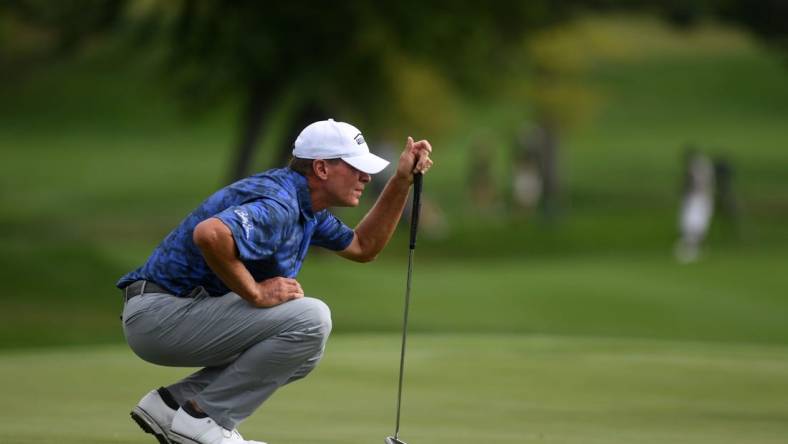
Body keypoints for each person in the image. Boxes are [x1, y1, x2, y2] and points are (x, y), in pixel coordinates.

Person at [117, 118, 433, 444]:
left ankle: (173, 405)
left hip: (172, 312)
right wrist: (255, 292)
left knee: (303, 350)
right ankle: (204, 420)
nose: (366, 177)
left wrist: (400, 182)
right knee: (310, 319)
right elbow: (210, 234)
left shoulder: (305, 207)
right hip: (161, 316)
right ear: (322, 169)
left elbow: (363, 246)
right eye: (355, 168)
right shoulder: (280, 204)